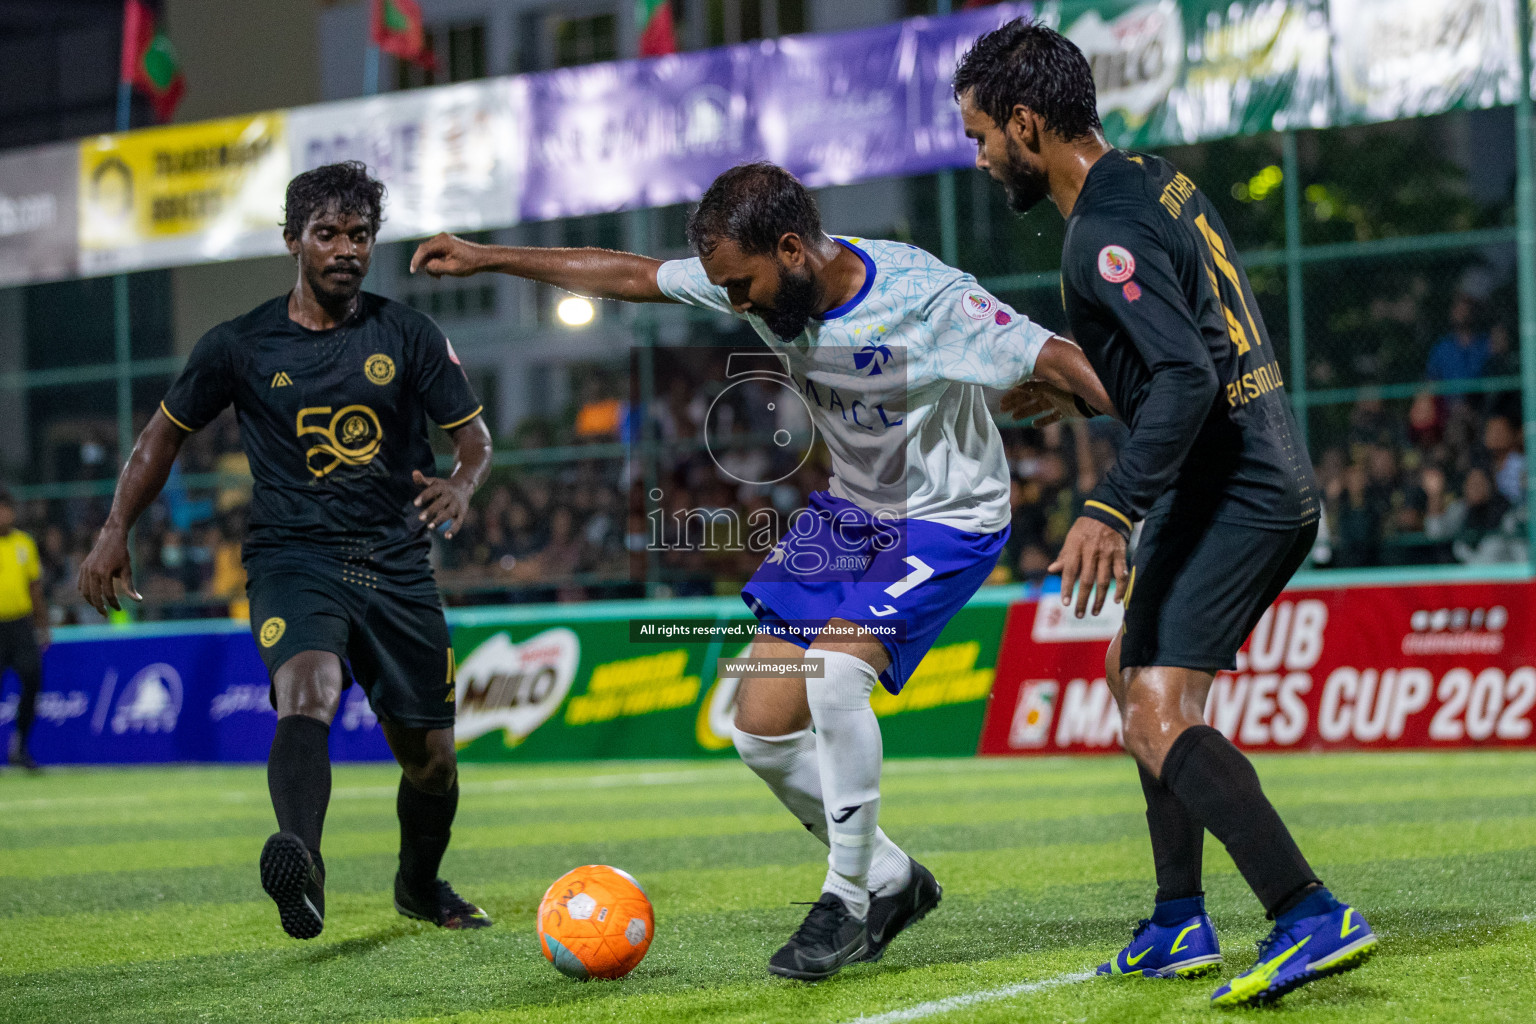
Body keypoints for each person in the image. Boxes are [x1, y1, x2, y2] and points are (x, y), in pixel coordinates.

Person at [411, 161, 1113, 980]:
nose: (735, 305)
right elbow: (634, 276)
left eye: (742, 286)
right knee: (758, 728)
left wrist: (1136, 444)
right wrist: (489, 257)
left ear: (791, 249)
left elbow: (1057, 357)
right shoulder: (754, 276)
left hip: (947, 518)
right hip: (853, 513)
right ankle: (889, 875)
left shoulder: (925, 297)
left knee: (834, 680)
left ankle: (849, 898)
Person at [954, 20, 1376, 1008]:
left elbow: (1186, 377)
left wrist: (1108, 503)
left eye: (981, 136)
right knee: (1127, 673)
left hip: (1238, 485)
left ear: (1027, 123)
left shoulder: (1101, 231)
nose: (978, 159)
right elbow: (1179, 350)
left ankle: (1309, 912)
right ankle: (1179, 918)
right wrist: (1079, 387)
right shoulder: (1151, 180)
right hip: (1240, 470)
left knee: (1155, 708)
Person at [78, 162, 495, 939]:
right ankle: (301, 860)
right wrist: (113, 530)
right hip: (292, 556)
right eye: (327, 233)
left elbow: (472, 437)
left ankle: (418, 884)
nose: (345, 249)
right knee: (307, 691)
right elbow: (160, 437)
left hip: (397, 563)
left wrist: (464, 486)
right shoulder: (238, 344)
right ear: (292, 241)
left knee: (431, 760)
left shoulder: (406, 334)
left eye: (359, 235)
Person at [0, 487, 49, 771]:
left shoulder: (24, 544)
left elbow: (35, 587)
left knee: (32, 681)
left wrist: (42, 626)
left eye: (7, 509)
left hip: (21, 626)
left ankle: (20, 745)